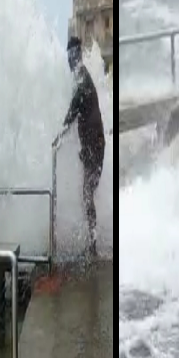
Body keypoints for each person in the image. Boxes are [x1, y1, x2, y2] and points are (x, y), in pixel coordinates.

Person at [61, 36, 106, 256]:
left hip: (95, 145)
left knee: (87, 194)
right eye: (69, 56)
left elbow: (74, 108)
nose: (70, 60)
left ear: (76, 56)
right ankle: (93, 240)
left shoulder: (82, 78)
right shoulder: (81, 76)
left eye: (72, 55)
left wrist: (60, 134)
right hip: (92, 146)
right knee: (87, 194)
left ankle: (93, 245)